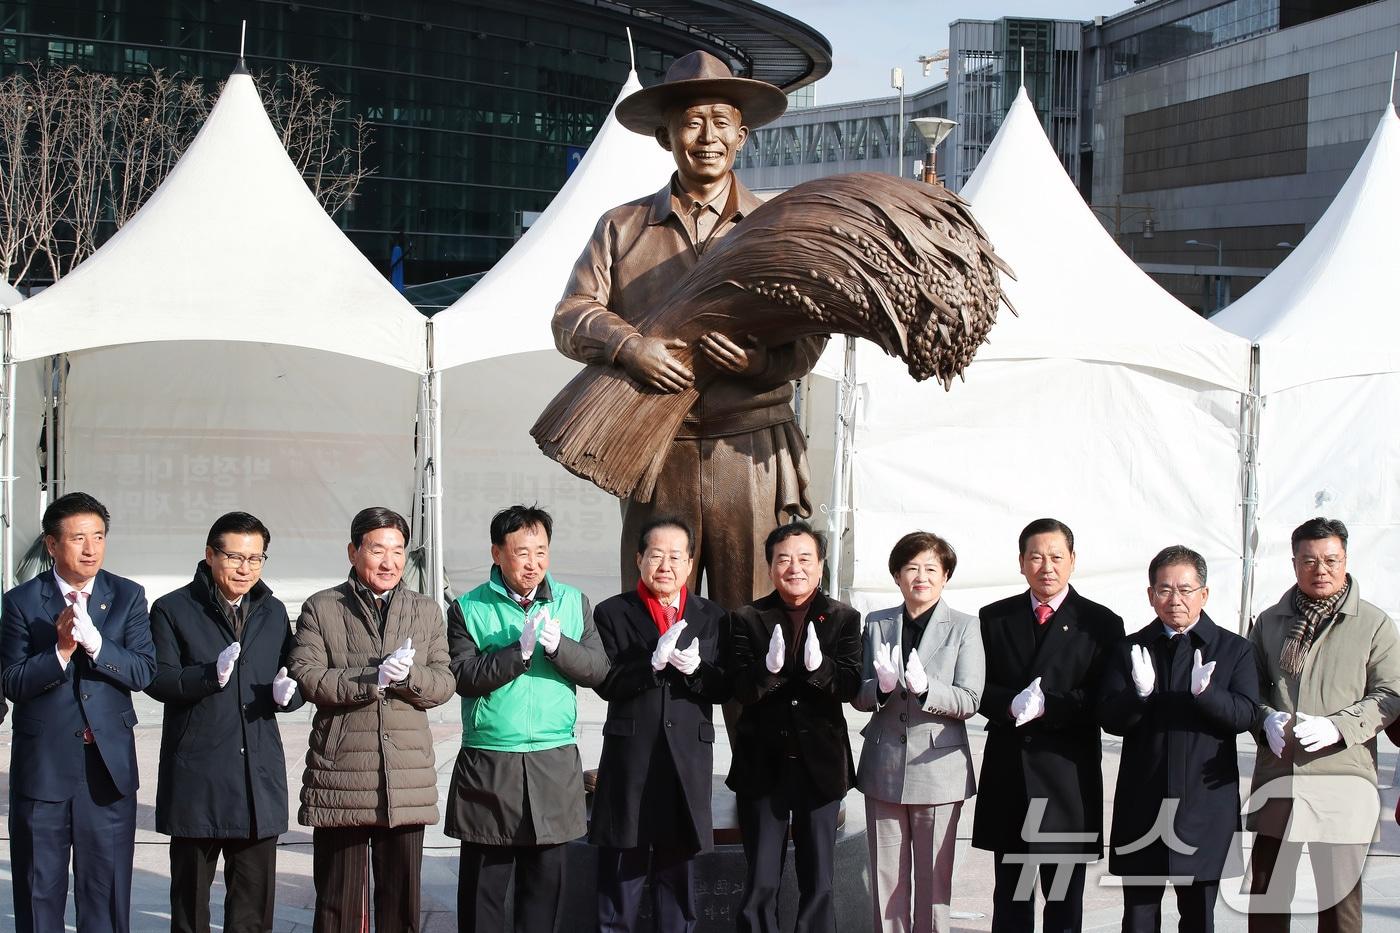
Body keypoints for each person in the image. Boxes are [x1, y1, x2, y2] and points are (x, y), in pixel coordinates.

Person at [553, 49, 827, 612]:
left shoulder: (778, 226)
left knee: (751, 619)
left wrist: (758, 365)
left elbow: (810, 337)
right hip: (655, 446)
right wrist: (629, 346)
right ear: (666, 135)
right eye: (690, 122)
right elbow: (571, 314)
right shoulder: (622, 226)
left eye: (720, 121)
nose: (706, 136)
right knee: (656, 619)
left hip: (750, 450)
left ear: (742, 135)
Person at [286, 507, 454, 933]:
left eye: (398, 551)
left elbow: (443, 682)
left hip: (407, 776)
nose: (389, 562)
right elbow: (308, 677)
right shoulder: (322, 607)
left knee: (401, 902)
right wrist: (372, 679)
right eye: (377, 550)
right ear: (353, 551)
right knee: (338, 904)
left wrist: (409, 677)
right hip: (341, 775)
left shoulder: (426, 609)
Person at [446, 504, 610, 933]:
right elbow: (462, 676)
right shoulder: (468, 608)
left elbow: (598, 670)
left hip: (553, 759)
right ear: (497, 553)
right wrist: (515, 654)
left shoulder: (574, 603)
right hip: (491, 760)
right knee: (485, 889)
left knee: (545, 886)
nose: (533, 563)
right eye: (521, 552)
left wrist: (560, 649)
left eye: (541, 551)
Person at [0, 491, 156, 933]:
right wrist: (62, 651)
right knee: (38, 890)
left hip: (106, 771)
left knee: (105, 894)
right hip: (44, 769)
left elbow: (144, 670)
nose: (91, 548)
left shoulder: (127, 595)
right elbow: (11, 680)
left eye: (99, 537)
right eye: (78, 538)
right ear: (51, 545)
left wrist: (98, 646)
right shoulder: (22, 602)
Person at [147, 511, 304, 933]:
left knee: (253, 912)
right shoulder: (172, 609)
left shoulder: (272, 612)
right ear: (210, 555)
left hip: (257, 777)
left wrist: (289, 695)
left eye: (256, 559)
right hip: (198, 777)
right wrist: (207, 676)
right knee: (190, 908)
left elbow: (291, 676)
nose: (245, 568)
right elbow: (156, 679)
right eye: (235, 557)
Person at [1245, 517, 1400, 932]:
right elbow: (1251, 686)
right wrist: (1263, 718)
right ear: (1294, 563)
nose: (1321, 570)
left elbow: (1391, 695)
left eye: (1331, 559)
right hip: (1280, 777)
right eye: (1309, 561)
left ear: (1345, 560)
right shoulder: (1269, 622)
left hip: (1342, 779)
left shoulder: (1374, 624)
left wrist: (1340, 726)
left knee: (1339, 902)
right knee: (1267, 893)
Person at [973, 517, 1124, 933]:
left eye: (1056, 557)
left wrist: (1049, 706)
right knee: (1011, 898)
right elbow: (976, 688)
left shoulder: (1101, 623)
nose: (1047, 566)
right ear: (1021, 562)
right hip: (1011, 778)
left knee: (1062, 901)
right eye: (1036, 557)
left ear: (1073, 561)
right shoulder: (994, 618)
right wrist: (1009, 704)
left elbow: (1102, 699)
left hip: (1066, 781)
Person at [1099, 545, 1258, 933]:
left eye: (1185, 589)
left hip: (1204, 806)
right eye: (1165, 590)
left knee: (1199, 915)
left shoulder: (1234, 649)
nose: (1175, 600)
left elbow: (1245, 714)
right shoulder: (1131, 649)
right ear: (1151, 595)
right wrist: (1138, 695)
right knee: (1139, 914)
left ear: (1204, 594)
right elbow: (1109, 719)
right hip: (1144, 802)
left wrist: (1209, 695)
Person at [590, 516, 730, 933]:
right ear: (639, 559)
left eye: (675, 556)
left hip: (686, 757)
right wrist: (651, 664)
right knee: (621, 874)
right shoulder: (613, 612)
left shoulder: (713, 616)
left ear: (690, 564)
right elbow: (607, 681)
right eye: (656, 555)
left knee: (677, 873)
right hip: (631, 757)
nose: (665, 565)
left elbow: (725, 686)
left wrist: (698, 669)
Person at [727, 520, 861, 933]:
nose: (794, 567)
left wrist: (822, 669)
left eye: (805, 558)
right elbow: (738, 689)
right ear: (770, 567)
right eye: (784, 559)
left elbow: (852, 684)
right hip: (762, 767)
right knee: (761, 881)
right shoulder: (747, 618)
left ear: (821, 565)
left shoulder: (843, 618)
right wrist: (767, 673)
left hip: (819, 767)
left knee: (818, 880)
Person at [853, 531, 984, 933]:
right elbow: (859, 694)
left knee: (933, 882)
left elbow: (970, 698)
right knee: (886, 879)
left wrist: (929, 689)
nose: (921, 577)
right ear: (897, 576)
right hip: (884, 766)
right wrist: (881, 688)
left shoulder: (965, 627)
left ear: (945, 576)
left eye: (931, 568)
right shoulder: (877, 623)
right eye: (911, 568)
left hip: (938, 766)